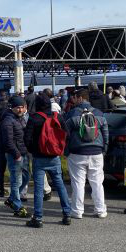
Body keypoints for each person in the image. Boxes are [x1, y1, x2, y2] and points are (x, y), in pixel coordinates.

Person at [23, 92, 72, 228]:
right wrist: (58, 148)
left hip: (39, 157)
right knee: (60, 185)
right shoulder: (58, 116)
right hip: (54, 157)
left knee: (39, 189)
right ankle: (67, 214)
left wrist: (34, 150)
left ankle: (38, 218)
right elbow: (66, 135)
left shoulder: (34, 118)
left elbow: (27, 139)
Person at [64, 89, 109, 219]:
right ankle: (100, 210)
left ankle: (77, 211)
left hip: (77, 153)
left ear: (79, 98)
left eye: (74, 97)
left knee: (78, 183)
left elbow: (65, 135)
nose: (73, 100)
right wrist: (104, 149)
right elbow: (106, 133)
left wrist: (66, 152)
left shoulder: (72, 114)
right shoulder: (99, 113)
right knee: (97, 182)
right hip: (96, 152)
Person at [0, 96, 30, 218]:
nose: (20, 110)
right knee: (16, 181)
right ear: (12, 108)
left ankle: (12, 198)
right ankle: (17, 207)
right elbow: (8, 141)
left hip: (24, 153)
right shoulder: (8, 120)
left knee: (26, 177)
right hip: (15, 155)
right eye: (18, 107)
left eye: (22, 107)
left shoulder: (19, 118)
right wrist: (16, 154)